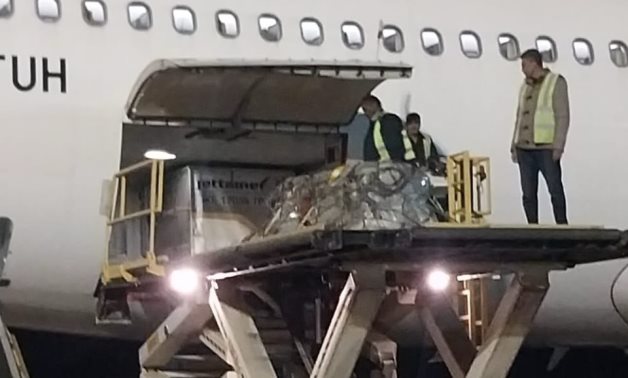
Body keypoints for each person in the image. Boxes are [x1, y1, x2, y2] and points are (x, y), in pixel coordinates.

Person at [511, 49, 570, 225]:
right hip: (525, 148)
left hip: (546, 147)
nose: (522, 69)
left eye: (524, 65)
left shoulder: (555, 83)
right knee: (528, 193)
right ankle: (532, 225)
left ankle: (562, 224)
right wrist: (514, 144)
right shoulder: (525, 85)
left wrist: (558, 145)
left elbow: (562, 115)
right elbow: (520, 117)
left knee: (555, 189)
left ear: (534, 63)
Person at [361, 95, 415, 162]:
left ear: (374, 105)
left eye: (365, 109)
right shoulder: (376, 123)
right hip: (383, 167)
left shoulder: (388, 121)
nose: (365, 112)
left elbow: (394, 146)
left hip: (391, 167)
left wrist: (395, 165)